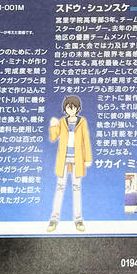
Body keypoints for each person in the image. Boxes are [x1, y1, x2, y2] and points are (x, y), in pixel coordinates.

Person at [47, 95, 93, 232]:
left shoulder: (82, 122)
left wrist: (88, 158)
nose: (70, 109)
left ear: (77, 108)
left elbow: (86, 140)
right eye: (68, 107)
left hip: (77, 160)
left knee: (76, 188)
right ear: (65, 108)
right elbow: (53, 137)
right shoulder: (62, 121)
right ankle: (54, 220)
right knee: (60, 188)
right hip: (63, 160)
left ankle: (78, 220)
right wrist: (53, 125)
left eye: (73, 107)